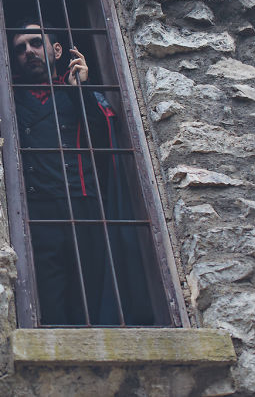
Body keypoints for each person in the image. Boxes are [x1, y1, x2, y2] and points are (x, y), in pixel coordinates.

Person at [11, 21, 153, 325]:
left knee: (89, 295)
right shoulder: (11, 98)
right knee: (49, 300)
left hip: (84, 203)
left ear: (56, 50)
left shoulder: (77, 91)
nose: (29, 51)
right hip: (38, 209)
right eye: (21, 48)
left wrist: (81, 90)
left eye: (35, 43)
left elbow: (102, 139)